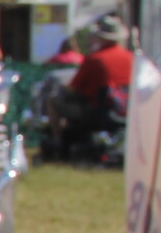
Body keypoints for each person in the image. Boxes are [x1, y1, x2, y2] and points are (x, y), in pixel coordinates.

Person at [53, 14, 132, 158]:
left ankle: (58, 142)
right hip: (128, 112)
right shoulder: (131, 59)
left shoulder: (95, 59)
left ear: (100, 37)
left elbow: (73, 88)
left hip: (100, 114)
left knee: (55, 100)